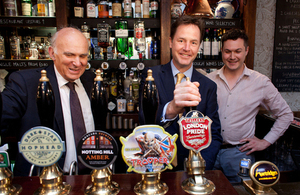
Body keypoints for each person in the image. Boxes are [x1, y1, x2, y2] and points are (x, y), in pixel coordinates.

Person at [0, 27, 95, 176]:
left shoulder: (90, 80)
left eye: (83, 56)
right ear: (52, 53)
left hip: (89, 178)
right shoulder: (26, 83)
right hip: (42, 181)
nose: (77, 63)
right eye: (69, 55)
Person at [207, 29, 294, 183]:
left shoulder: (260, 82)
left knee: (242, 192)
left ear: (246, 51)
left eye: (237, 51)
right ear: (222, 51)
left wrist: (265, 141)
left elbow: (286, 115)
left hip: (239, 154)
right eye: (228, 51)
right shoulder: (209, 80)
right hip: (208, 151)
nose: (232, 56)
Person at [139, 15, 223, 171]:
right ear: (171, 42)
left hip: (193, 170)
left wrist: (200, 167)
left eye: (193, 42)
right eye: (181, 40)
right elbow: (144, 120)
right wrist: (170, 109)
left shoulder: (208, 86)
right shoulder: (152, 76)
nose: (187, 48)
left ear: (199, 47)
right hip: (156, 166)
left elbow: (215, 135)